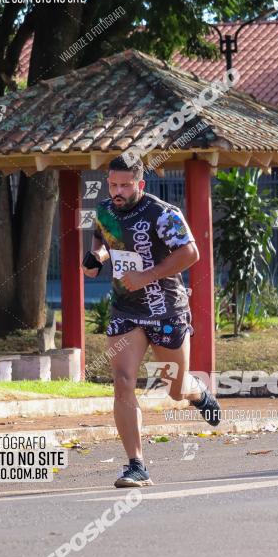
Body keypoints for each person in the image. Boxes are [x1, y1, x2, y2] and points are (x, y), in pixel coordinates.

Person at [82, 155, 221, 488]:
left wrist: (148, 275)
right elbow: (102, 239)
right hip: (126, 308)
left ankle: (196, 392)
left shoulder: (162, 214)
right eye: (112, 184)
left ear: (140, 184)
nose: (117, 191)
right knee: (123, 380)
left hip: (165, 309)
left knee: (174, 389)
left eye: (125, 185)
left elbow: (190, 253)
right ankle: (136, 464)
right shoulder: (104, 211)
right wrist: (95, 258)